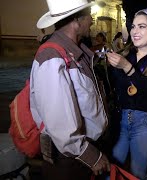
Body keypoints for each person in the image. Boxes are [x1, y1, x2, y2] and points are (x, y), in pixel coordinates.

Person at [30, 0, 110, 179]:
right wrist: (90, 156)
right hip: (70, 160)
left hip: (81, 154)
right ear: (76, 21)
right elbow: (60, 122)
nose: (92, 20)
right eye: (90, 15)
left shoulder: (74, 52)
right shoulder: (53, 57)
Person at [106, 9, 147, 179]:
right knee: (110, 171)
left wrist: (127, 69)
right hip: (120, 121)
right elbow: (117, 88)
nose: (135, 31)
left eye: (142, 26)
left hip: (145, 124)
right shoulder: (126, 56)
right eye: (133, 26)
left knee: (138, 174)